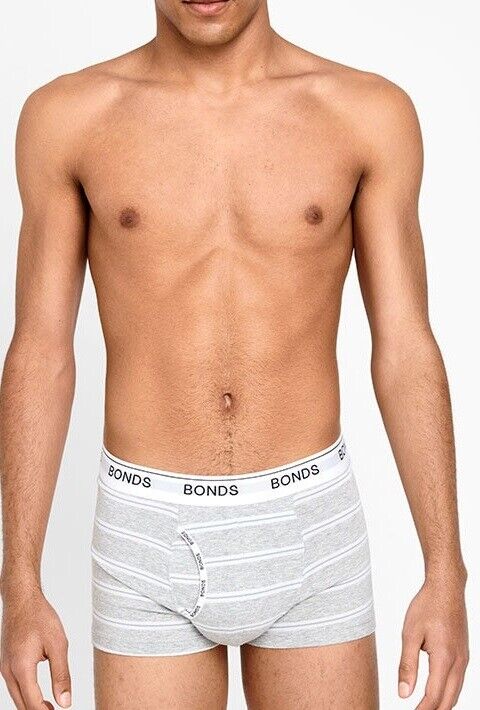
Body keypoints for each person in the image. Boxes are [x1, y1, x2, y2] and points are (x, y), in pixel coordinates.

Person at [0, 1, 469, 708]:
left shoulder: (367, 115)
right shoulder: (68, 119)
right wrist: (19, 581)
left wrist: (445, 570)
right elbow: (41, 351)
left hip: (312, 527)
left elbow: (404, 345)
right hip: (146, 534)